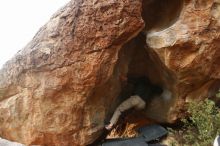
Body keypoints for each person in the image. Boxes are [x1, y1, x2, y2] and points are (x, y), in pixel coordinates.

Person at [105, 76, 171, 130]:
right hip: (143, 104)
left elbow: (130, 79)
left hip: (135, 99)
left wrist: (122, 77)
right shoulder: (151, 87)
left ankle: (111, 124)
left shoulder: (140, 81)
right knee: (132, 110)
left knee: (119, 109)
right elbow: (160, 90)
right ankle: (126, 117)